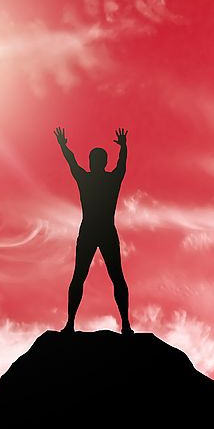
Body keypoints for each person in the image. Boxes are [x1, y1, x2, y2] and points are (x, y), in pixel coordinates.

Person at [54, 126, 132, 334]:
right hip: (96, 230)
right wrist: (123, 148)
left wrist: (64, 146)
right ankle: (71, 324)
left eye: (94, 160)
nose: (93, 163)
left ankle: (124, 324)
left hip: (98, 230)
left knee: (110, 277)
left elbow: (73, 162)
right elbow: (120, 167)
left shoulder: (91, 179)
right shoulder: (96, 180)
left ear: (96, 163)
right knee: (84, 276)